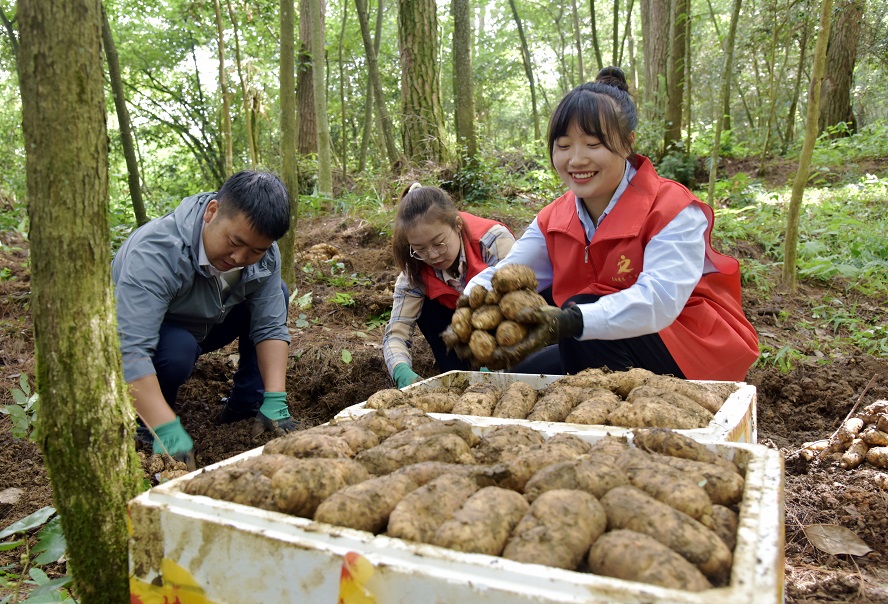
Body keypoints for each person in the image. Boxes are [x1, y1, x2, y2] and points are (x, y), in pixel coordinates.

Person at [465, 67, 759, 381]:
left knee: (582, 310)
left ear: (628, 142)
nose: (576, 160)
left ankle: (619, 417)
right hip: (601, 338)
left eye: (593, 145)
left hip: (689, 343)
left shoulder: (672, 208)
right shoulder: (552, 219)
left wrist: (573, 322)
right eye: (563, 146)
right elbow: (507, 273)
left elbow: (659, 300)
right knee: (519, 377)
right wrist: (469, 305)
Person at [112, 170, 299, 469]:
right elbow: (131, 351)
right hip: (161, 331)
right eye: (234, 242)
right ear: (212, 212)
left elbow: (269, 326)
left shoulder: (263, 253)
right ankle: (149, 426)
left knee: (277, 290)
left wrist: (276, 398)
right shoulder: (156, 253)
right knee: (177, 351)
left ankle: (247, 405)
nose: (240, 257)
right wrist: (167, 429)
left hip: (212, 319)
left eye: (255, 250)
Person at [383, 184, 516, 388]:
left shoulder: (493, 241)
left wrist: (494, 363)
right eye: (420, 249)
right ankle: (455, 377)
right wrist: (401, 372)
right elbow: (396, 335)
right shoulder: (413, 272)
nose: (433, 255)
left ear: (457, 225)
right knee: (427, 309)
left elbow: (515, 307)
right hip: (454, 333)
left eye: (439, 243)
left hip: (501, 327)